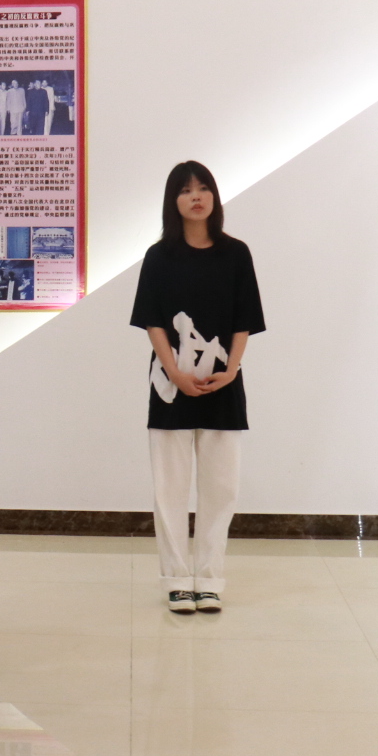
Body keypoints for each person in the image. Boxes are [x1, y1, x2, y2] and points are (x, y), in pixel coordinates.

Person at [130, 161, 266, 614]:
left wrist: (232, 370)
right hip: (169, 386)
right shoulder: (159, 256)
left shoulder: (236, 253)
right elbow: (152, 321)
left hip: (223, 382)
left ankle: (208, 580)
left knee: (221, 487)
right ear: (173, 201)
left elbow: (245, 320)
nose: (196, 196)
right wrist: (174, 372)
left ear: (214, 197)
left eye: (204, 188)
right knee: (169, 488)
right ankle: (176, 580)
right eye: (186, 190)